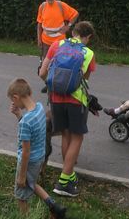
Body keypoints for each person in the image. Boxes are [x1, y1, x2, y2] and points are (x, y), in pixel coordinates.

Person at [39, 21, 96, 197]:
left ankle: (69, 174)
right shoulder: (88, 53)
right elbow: (84, 79)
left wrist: (53, 84)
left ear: (73, 31)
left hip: (55, 98)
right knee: (77, 137)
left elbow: (42, 73)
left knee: (65, 134)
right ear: (88, 37)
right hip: (76, 100)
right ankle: (63, 182)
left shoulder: (57, 44)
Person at [7, 78, 67, 219]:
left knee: (21, 195)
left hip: (28, 161)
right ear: (30, 92)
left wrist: (21, 176)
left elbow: (26, 151)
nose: (13, 104)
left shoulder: (26, 122)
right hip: (39, 157)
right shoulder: (39, 108)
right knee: (32, 183)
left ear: (16, 97)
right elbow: (34, 133)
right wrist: (18, 115)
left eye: (13, 100)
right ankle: (55, 208)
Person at [36, 0, 78, 93]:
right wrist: (39, 39)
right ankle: (49, 84)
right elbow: (39, 24)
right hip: (45, 41)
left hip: (59, 41)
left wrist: (68, 26)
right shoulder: (42, 7)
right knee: (44, 67)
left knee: (59, 65)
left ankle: (59, 86)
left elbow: (75, 14)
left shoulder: (60, 5)